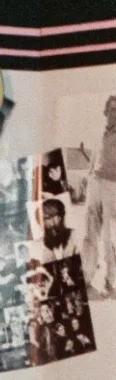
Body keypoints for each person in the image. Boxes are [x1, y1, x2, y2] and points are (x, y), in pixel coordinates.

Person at [82, 95, 116, 297]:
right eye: (111, 109)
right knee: (89, 232)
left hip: (111, 186)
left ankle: (110, 280)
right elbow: (94, 158)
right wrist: (88, 178)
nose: (113, 113)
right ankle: (86, 274)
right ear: (105, 112)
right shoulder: (99, 133)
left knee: (108, 236)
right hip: (94, 184)